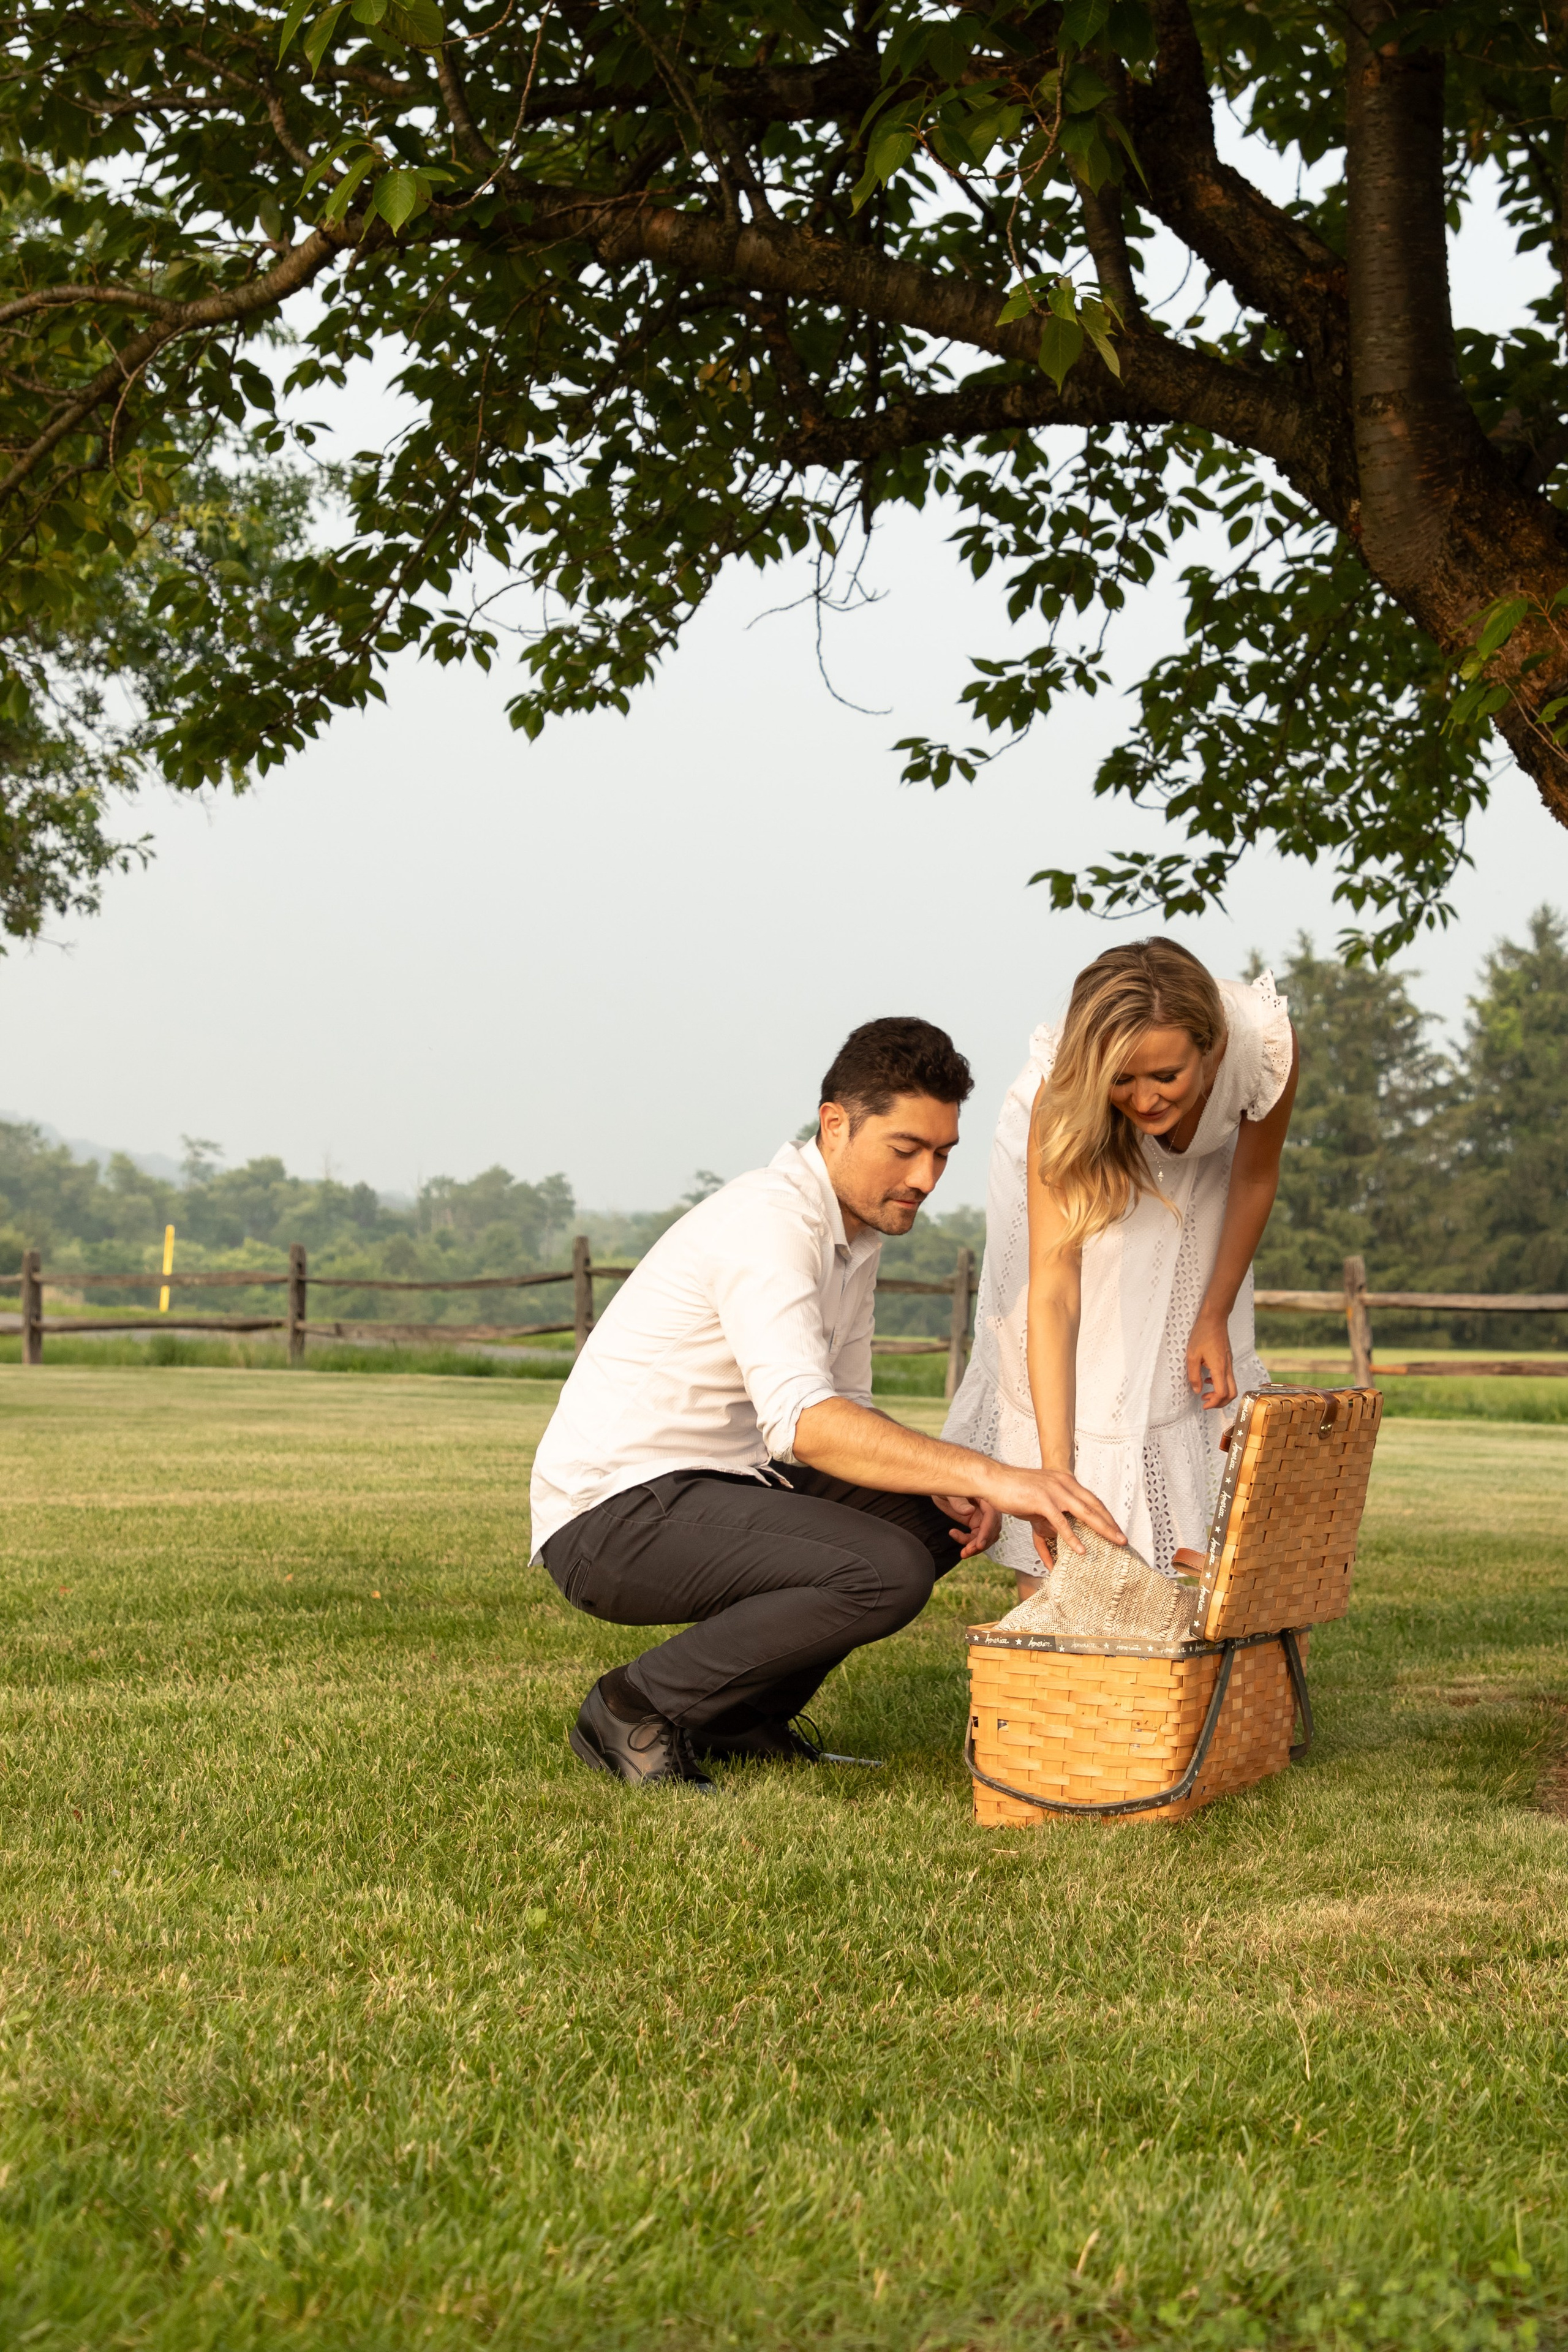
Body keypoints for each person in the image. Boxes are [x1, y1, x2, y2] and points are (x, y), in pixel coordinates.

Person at [532, 1016, 1126, 1789]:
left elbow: (845, 1403)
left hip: (718, 1483)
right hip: (612, 1518)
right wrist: (992, 1474)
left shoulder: (854, 1235)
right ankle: (633, 1706)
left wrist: (947, 1481)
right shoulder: (769, 1222)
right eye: (905, 1149)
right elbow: (805, 1423)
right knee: (882, 1570)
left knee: (929, 1519)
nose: (925, 1178)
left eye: (941, 1154)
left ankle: (738, 1719)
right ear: (835, 1125)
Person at [944, 940, 1298, 1594]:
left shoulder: (1262, 1046)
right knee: (1104, 1354)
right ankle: (1055, 1597)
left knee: (1172, 1373)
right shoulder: (1062, 1096)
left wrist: (1213, 1315)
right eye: (1123, 1078)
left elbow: (1253, 1180)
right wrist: (1054, 1480)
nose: (1143, 1100)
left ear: (1211, 1046)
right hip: (1084, 1145)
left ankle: (1177, 1615)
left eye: (1166, 1076)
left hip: (1203, 1187)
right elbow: (1053, 1291)